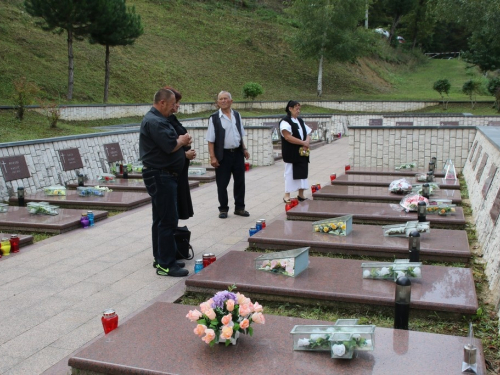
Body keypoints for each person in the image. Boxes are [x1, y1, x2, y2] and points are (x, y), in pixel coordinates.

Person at [139, 88, 192, 277]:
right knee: (167, 220)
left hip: (163, 175)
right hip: (160, 176)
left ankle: (161, 257)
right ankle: (166, 265)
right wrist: (182, 140)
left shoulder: (159, 119)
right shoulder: (155, 121)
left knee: (161, 219)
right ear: (162, 103)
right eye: (171, 105)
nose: (173, 108)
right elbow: (170, 145)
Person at [206, 91, 250, 219]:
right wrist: (213, 157)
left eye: (225, 98)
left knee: (240, 182)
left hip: (237, 153)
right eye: (220, 99)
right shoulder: (214, 118)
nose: (223, 101)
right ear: (218, 102)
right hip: (223, 155)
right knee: (222, 183)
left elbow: (240, 134)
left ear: (231, 101)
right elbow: (210, 140)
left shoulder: (237, 115)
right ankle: (223, 209)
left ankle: (240, 208)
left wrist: (244, 148)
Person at [165, 86, 196, 220]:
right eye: (176, 102)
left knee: (178, 209)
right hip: (172, 170)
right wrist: (184, 154)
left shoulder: (172, 118)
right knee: (170, 212)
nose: (178, 105)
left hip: (180, 169)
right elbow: (166, 148)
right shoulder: (161, 122)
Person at [280, 100, 312, 203]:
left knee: (302, 172)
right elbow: (288, 137)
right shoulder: (285, 121)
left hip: (302, 152)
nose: (298, 111)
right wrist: (303, 143)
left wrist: (306, 142)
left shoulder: (300, 120)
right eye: (296, 109)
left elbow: (307, 132)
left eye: (299, 109)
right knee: (290, 173)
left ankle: (301, 194)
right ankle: (287, 195)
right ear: (290, 108)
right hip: (291, 152)